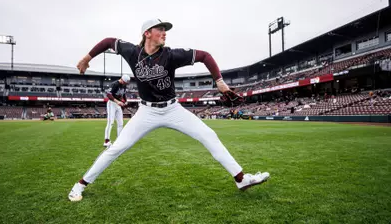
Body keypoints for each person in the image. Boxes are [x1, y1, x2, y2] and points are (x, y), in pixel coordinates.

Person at [68, 19, 269, 202]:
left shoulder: (171, 55)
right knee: (118, 147)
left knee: (208, 135)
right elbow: (108, 41)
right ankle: (80, 185)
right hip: (146, 112)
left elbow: (205, 56)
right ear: (147, 33)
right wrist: (87, 57)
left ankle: (241, 179)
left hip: (173, 109)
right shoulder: (132, 52)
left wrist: (220, 82)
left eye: (165, 30)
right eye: (160, 29)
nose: (165, 33)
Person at [103, 74, 130, 147]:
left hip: (118, 104)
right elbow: (108, 95)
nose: (125, 84)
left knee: (120, 123)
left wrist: (125, 101)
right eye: (125, 82)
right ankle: (106, 140)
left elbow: (123, 94)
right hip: (112, 103)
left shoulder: (124, 85)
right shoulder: (114, 84)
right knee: (110, 122)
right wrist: (117, 101)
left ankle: (119, 140)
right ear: (122, 79)